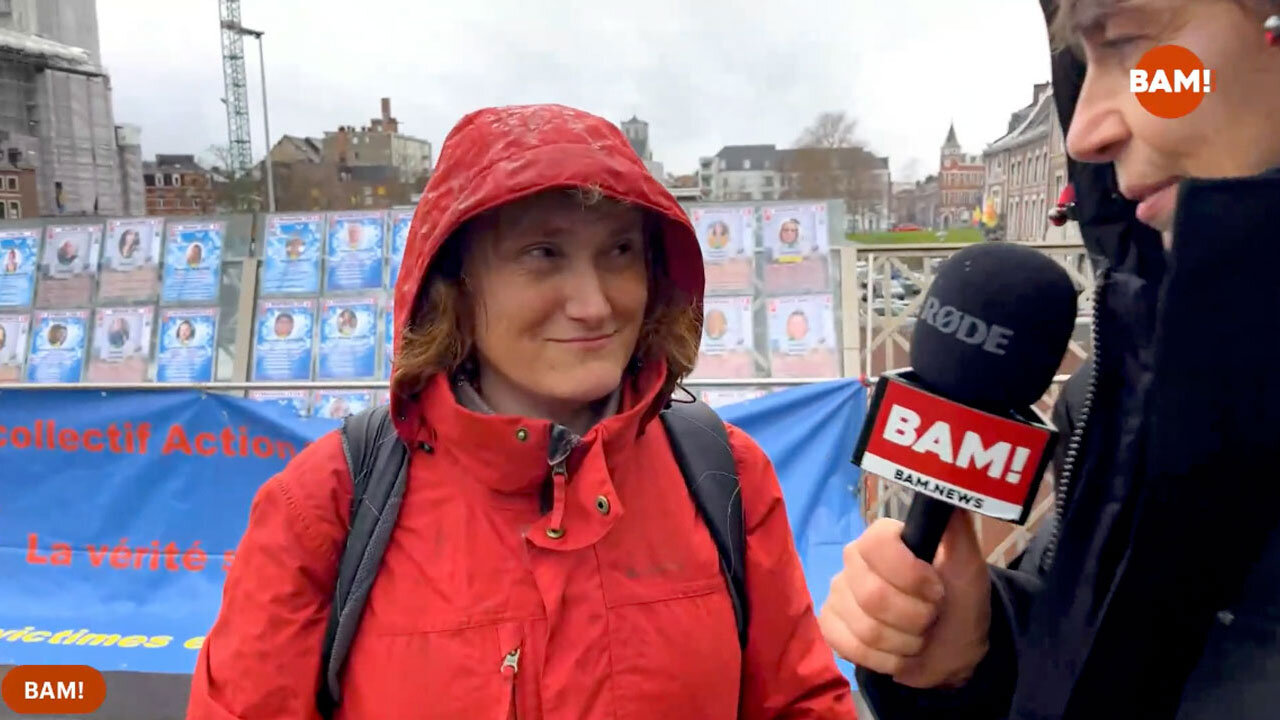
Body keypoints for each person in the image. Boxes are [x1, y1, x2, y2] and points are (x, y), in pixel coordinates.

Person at [185, 103, 855, 720]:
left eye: (620, 251)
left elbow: (801, 704)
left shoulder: (723, 474)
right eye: (543, 253)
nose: (594, 304)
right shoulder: (326, 503)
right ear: (454, 283)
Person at [819, 1, 1280, 719]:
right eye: (1080, 67)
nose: (1087, 132)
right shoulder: (1119, 391)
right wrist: (980, 655)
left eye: (1128, 46)